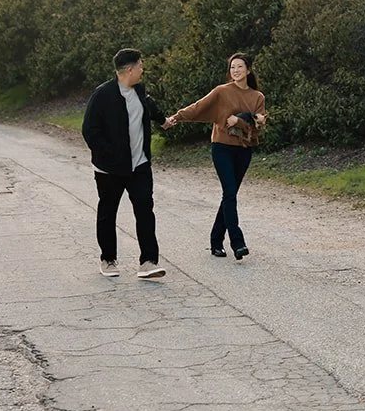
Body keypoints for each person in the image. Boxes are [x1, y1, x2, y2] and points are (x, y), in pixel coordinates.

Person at [165, 52, 267, 261]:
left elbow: (258, 125)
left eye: (239, 67)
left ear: (248, 70)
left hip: (244, 149)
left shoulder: (257, 97)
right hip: (221, 147)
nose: (236, 71)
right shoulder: (222, 91)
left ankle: (215, 240)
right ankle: (237, 243)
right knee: (229, 192)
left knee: (229, 196)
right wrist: (178, 116)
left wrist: (239, 121)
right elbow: (199, 106)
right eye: (232, 67)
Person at [81, 48, 170, 279]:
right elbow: (90, 130)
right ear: (129, 69)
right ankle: (108, 259)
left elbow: (148, 106)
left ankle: (148, 262)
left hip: (139, 165)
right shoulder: (102, 95)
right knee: (108, 213)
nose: (143, 69)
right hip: (109, 169)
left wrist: (164, 120)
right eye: (140, 65)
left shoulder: (139, 90)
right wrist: (108, 155)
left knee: (145, 210)